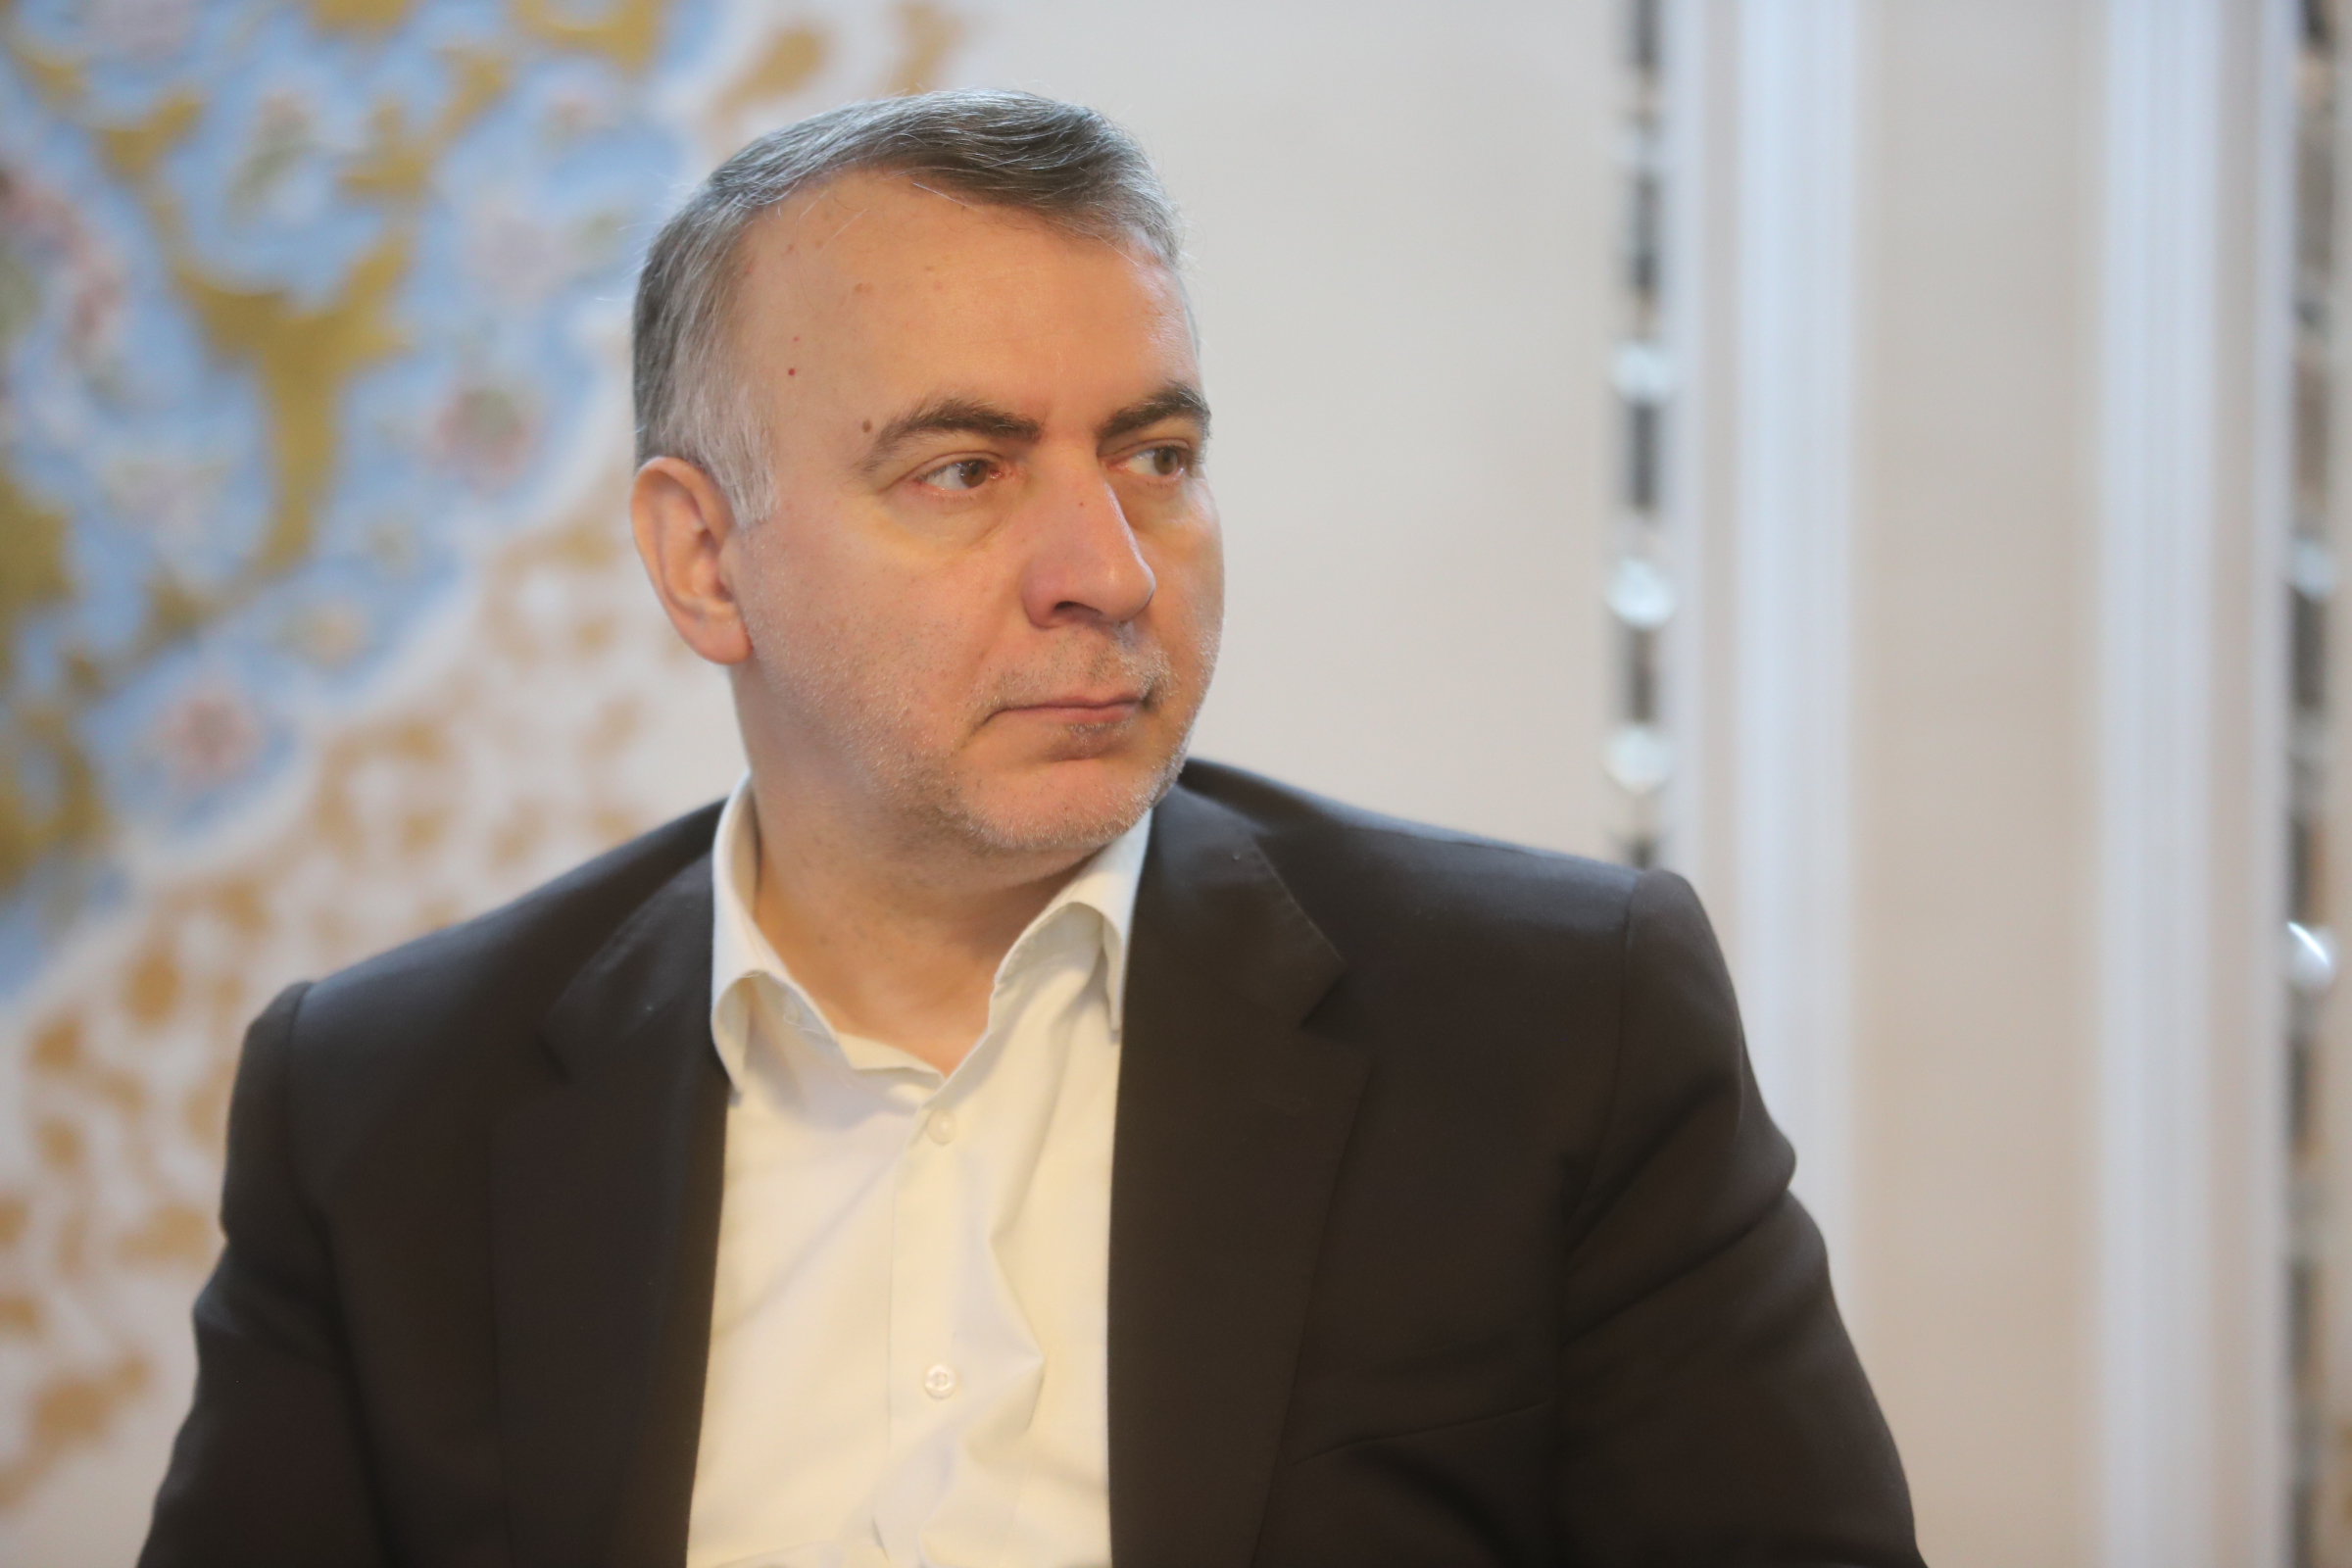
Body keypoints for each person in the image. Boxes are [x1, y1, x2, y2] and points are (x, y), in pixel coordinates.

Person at [140, 91, 1922, 1568]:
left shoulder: (1560, 1029)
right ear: (704, 558)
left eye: (1155, 457)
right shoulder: (384, 1109)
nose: (1109, 574)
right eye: (965, 471)